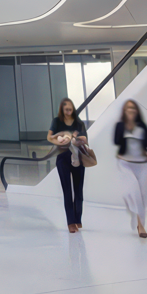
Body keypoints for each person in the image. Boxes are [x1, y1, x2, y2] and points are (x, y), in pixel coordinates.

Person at [114, 99, 147, 238]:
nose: (131, 110)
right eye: (128, 108)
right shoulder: (120, 125)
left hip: (142, 165)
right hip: (126, 164)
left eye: (133, 108)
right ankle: (141, 225)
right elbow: (116, 141)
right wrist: (127, 126)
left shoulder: (143, 126)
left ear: (136, 111)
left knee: (143, 196)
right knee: (133, 192)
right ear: (124, 111)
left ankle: (139, 222)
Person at [48, 98, 91, 232]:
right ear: (62, 110)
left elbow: (85, 139)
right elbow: (50, 136)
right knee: (67, 191)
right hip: (63, 158)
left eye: (70, 110)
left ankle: (77, 219)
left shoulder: (78, 123)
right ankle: (70, 223)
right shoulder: (57, 122)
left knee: (78, 191)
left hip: (78, 157)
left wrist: (76, 139)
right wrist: (59, 141)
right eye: (66, 110)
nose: (68, 112)